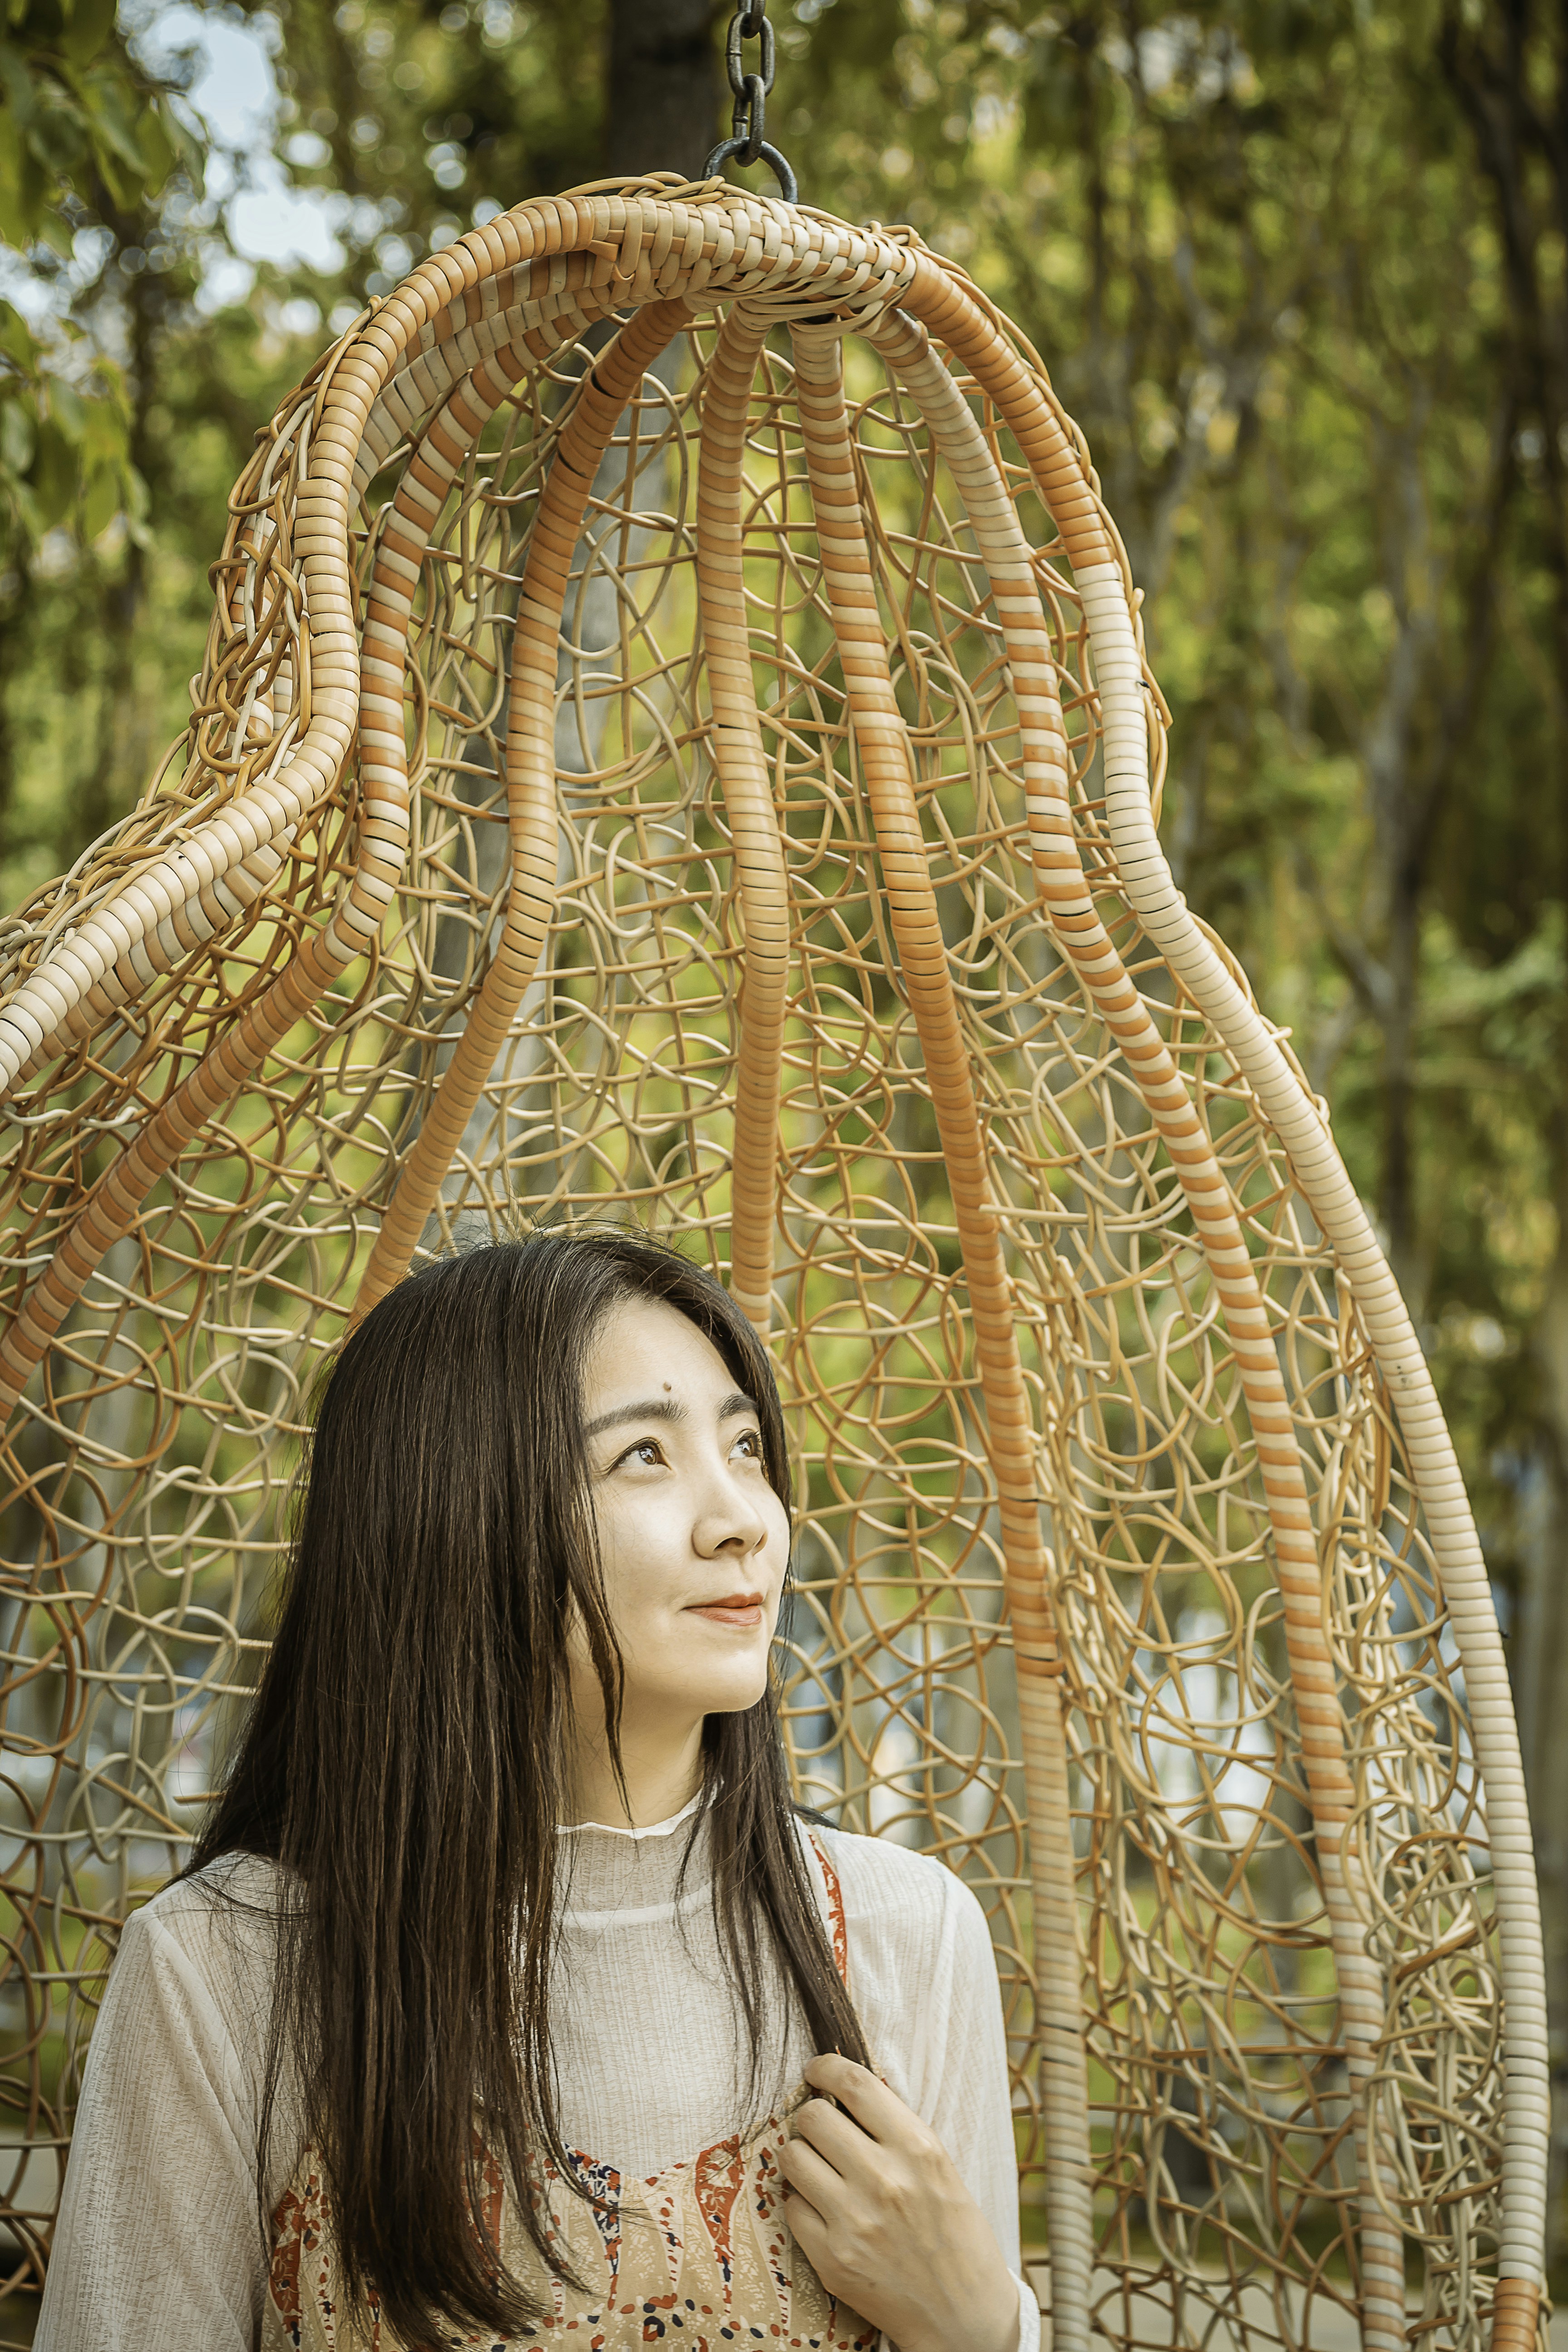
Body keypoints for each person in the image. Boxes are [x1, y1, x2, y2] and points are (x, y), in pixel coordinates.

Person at [36, 1228, 1037, 2352]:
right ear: (456, 1518)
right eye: (644, 1457)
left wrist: (985, 2330)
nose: (745, 1519)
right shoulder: (228, 1972)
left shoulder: (909, 1936)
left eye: (747, 1445)